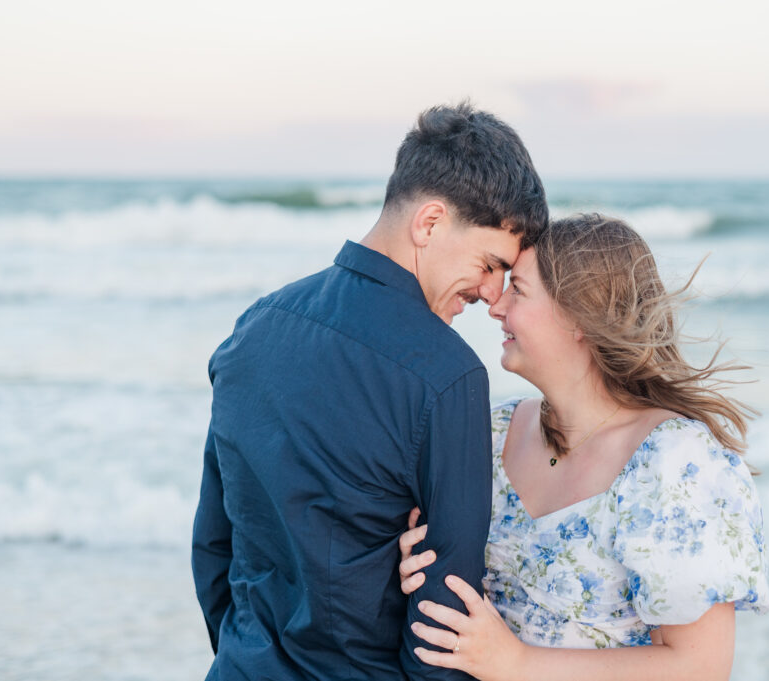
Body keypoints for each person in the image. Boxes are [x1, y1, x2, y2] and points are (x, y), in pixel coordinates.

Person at [191, 102, 548, 681]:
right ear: (429, 223)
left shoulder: (254, 326)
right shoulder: (448, 374)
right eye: (489, 263)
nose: (490, 293)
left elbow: (215, 541)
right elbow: (444, 623)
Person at [399, 213, 769, 681]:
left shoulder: (674, 462)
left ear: (578, 315)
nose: (495, 306)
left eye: (519, 289)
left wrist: (518, 664)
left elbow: (700, 667)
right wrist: (420, 567)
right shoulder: (491, 433)